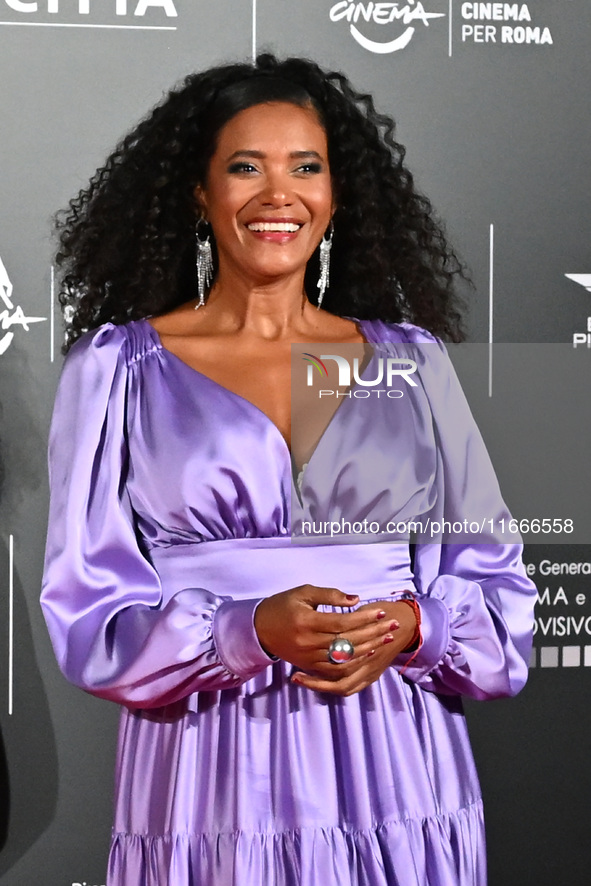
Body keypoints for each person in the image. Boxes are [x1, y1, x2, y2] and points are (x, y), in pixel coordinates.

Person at [41, 53, 537, 886]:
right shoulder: (120, 368)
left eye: (305, 167)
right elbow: (89, 618)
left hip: (395, 755)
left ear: (337, 194)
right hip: (214, 766)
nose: (279, 194)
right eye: (245, 167)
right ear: (199, 193)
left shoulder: (408, 364)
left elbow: (497, 590)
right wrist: (245, 630)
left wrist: (416, 629)